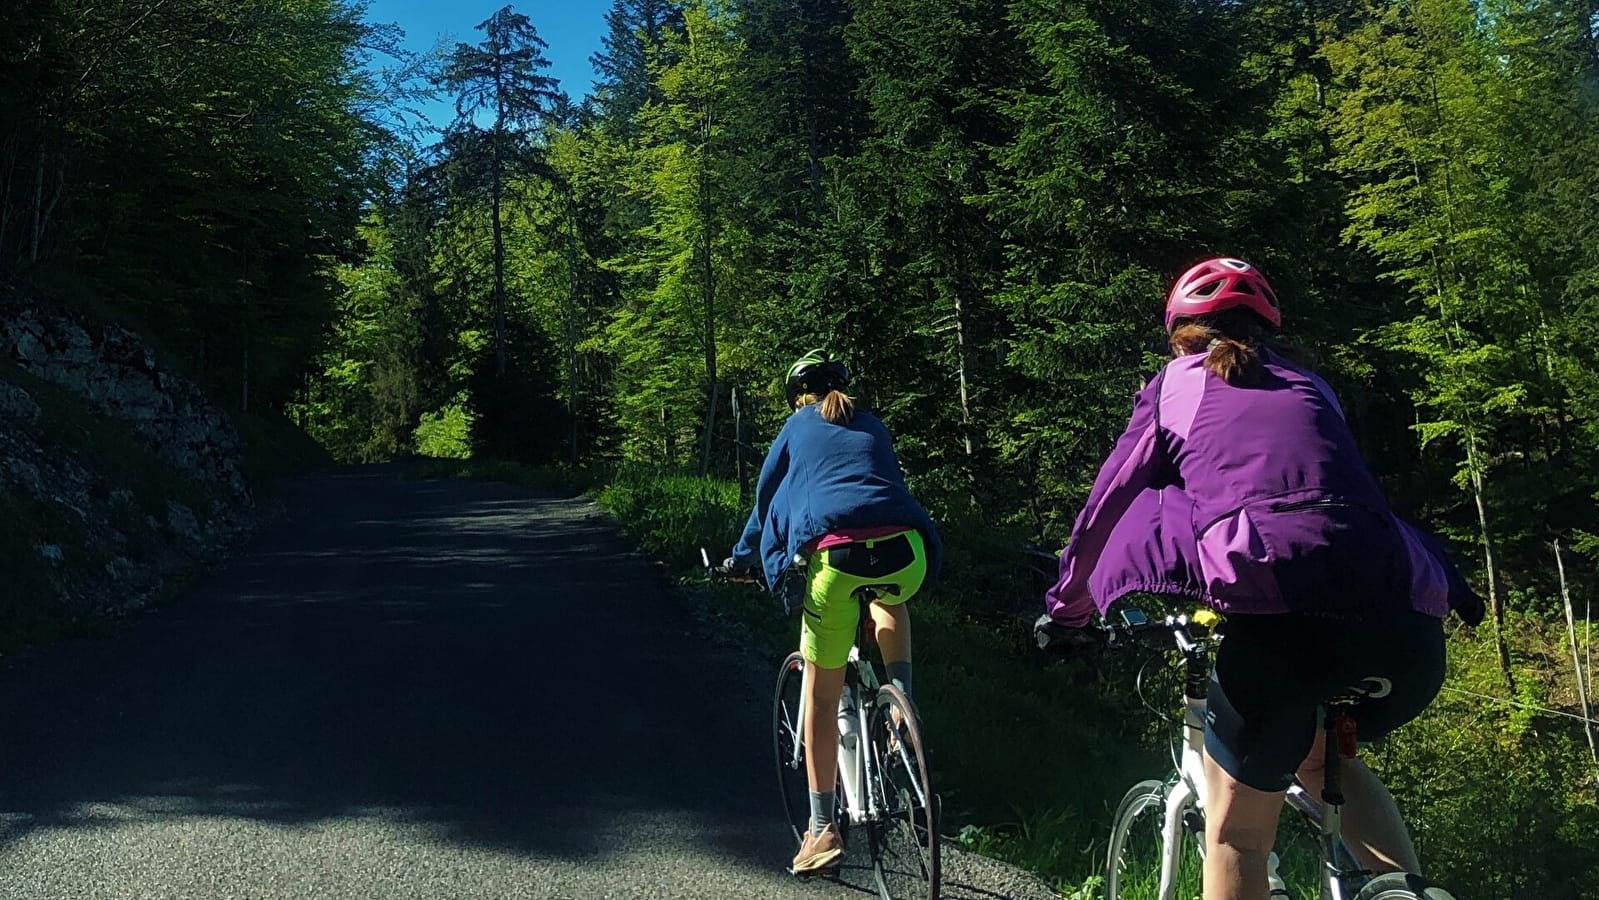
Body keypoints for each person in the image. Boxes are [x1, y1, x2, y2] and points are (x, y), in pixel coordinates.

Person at [1032, 258, 1483, 900]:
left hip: (1286, 625)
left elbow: (1108, 503)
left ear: (1180, 333)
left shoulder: (1177, 385)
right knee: (1328, 760)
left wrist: (1068, 606)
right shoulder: (1311, 386)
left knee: (1237, 837)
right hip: (1407, 626)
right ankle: (1408, 891)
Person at [724, 349, 942, 875]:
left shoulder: (798, 425)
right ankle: (900, 705)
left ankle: (821, 829)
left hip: (838, 559)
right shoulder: (871, 424)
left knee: (820, 700)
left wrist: (743, 556)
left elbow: (766, 497)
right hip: (906, 550)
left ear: (797, 396)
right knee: (891, 597)